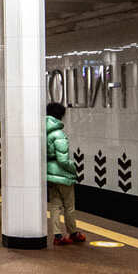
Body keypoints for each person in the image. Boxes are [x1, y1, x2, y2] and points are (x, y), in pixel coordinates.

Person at [46, 102, 85, 246]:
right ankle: (73, 233)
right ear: (60, 116)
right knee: (69, 206)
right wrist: (73, 168)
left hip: (49, 173)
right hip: (62, 174)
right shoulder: (58, 134)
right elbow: (62, 159)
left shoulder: (42, 132)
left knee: (55, 205)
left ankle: (57, 236)